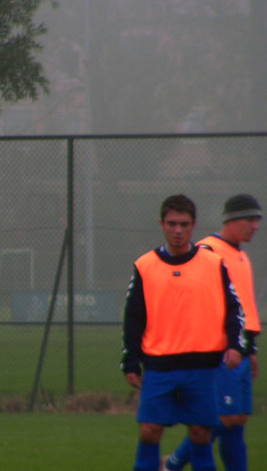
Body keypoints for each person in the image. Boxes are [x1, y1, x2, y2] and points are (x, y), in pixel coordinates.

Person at [121, 194, 245, 471]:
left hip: (201, 367)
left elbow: (233, 308)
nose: (178, 230)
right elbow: (133, 318)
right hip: (158, 366)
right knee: (149, 431)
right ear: (162, 224)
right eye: (172, 224)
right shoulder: (145, 266)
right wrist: (130, 360)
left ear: (193, 226)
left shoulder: (213, 263)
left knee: (201, 435)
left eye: (184, 224)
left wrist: (236, 345)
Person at [163, 194, 262, 471]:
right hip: (219, 349)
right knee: (224, 418)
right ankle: (171, 465)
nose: (255, 225)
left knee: (237, 420)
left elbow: (243, 306)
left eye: (258, 220)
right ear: (232, 219)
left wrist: (249, 348)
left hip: (240, 349)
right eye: (250, 219)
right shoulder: (208, 250)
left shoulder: (240, 255)